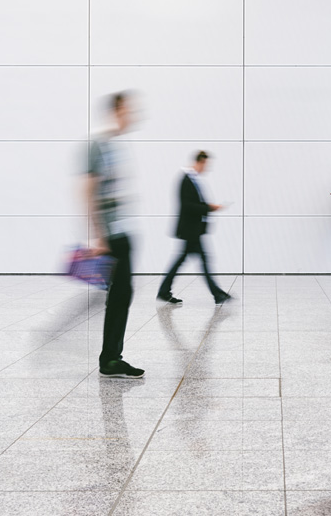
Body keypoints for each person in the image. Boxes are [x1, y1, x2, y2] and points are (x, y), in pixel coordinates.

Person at [86, 91, 144, 379]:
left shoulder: (116, 145)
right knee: (119, 295)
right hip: (112, 235)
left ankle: (111, 356)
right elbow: (89, 191)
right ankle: (109, 358)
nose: (132, 116)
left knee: (122, 294)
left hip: (122, 231)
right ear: (116, 111)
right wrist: (99, 236)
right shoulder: (99, 146)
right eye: (128, 110)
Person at [157, 151, 231, 306]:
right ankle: (217, 294)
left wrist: (208, 208)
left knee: (185, 260)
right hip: (190, 230)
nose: (206, 168)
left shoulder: (192, 179)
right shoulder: (185, 179)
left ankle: (164, 291)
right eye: (206, 164)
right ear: (200, 162)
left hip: (192, 229)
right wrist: (209, 207)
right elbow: (188, 205)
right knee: (203, 261)